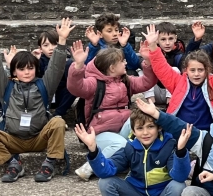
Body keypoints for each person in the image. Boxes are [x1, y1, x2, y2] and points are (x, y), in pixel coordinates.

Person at [0, 18, 74, 182]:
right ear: (14, 71)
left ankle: (49, 163)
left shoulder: (44, 85)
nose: (27, 72)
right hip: (14, 139)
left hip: (40, 138)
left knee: (58, 122)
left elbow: (56, 68)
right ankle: (13, 164)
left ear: (36, 69)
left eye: (30, 68)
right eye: (21, 69)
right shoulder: (6, 87)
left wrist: (62, 41)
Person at [67, 40, 158, 180]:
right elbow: (75, 87)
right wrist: (78, 66)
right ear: (112, 68)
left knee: (145, 117)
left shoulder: (125, 80)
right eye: (122, 61)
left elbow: (147, 82)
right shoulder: (94, 83)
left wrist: (148, 61)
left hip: (122, 130)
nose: (125, 63)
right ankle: (89, 167)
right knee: (121, 144)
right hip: (100, 133)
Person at [147, 25, 213, 130]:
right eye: (192, 70)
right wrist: (153, 45)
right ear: (186, 70)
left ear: (207, 70)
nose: (196, 74)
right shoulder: (178, 82)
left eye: (200, 70)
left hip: (205, 132)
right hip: (180, 131)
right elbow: (161, 68)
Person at [34, 29, 76, 118]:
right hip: (43, 98)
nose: (51, 48)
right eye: (46, 45)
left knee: (73, 86)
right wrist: (34, 62)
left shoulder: (67, 62)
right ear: (40, 48)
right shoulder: (39, 61)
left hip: (60, 98)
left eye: (54, 44)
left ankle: (58, 114)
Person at [142, 20, 185, 106]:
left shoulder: (179, 55)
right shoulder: (151, 52)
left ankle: (170, 104)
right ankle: (151, 104)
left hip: (173, 93)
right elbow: (135, 63)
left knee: (174, 69)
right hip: (156, 90)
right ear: (157, 40)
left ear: (175, 38)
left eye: (170, 39)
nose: (167, 43)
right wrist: (146, 60)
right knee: (143, 70)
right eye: (163, 39)